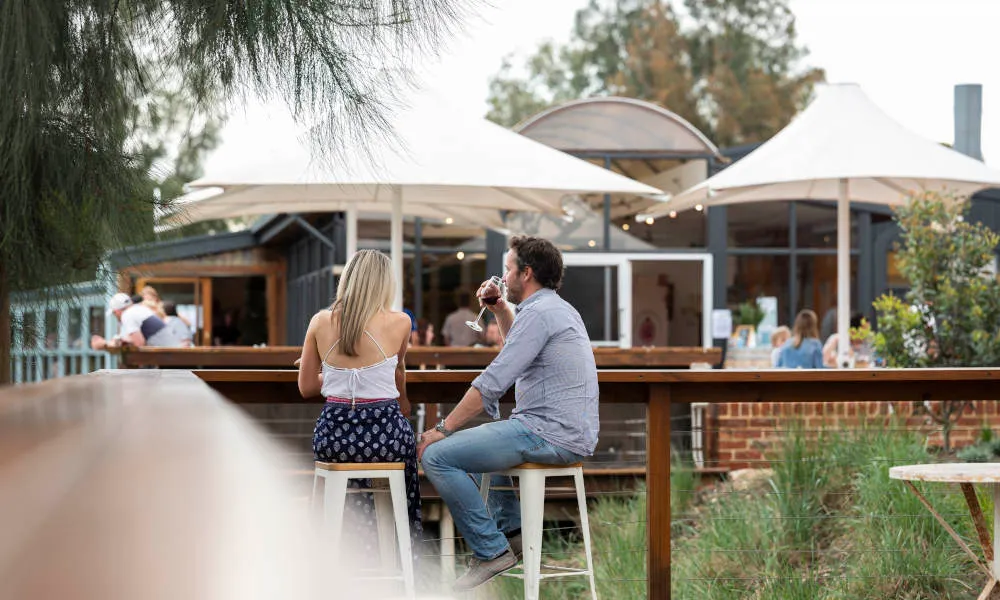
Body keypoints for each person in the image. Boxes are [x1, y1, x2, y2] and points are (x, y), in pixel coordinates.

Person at [417, 235, 600, 592]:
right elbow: (520, 350)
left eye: (507, 269)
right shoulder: (555, 308)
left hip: (547, 432)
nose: (503, 276)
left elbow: (496, 378)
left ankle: (491, 551)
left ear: (525, 273)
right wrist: (500, 308)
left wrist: (442, 428)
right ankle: (512, 534)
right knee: (481, 441)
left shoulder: (540, 312)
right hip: (562, 430)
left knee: (438, 456)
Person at [296, 249, 422, 563]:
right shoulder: (401, 322)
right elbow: (397, 375)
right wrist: (401, 402)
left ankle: (344, 556)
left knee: (347, 474)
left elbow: (307, 387)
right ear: (385, 284)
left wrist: (332, 374)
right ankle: (399, 555)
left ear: (347, 279)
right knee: (399, 461)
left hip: (334, 438)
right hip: (385, 436)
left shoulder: (321, 321)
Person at [90, 293, 185, 350]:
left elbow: (139, 343)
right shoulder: (138, 310)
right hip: (172, 354)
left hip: (170, 358)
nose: (116, 316)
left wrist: (106, 343)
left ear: (117, 311)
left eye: (114, 313)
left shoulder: (128, 315)